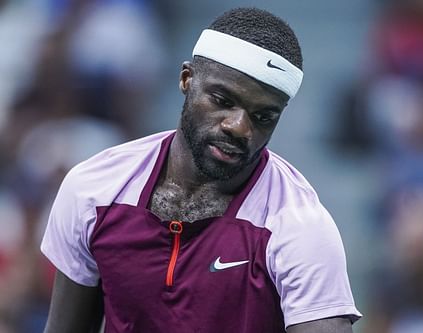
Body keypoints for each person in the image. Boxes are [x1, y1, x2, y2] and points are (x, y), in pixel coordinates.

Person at [41, 7, 362, 333]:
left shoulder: (301, 228)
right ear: (186, 79)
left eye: (263, 116)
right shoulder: (93, 190)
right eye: (223, 100)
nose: (239, 127)